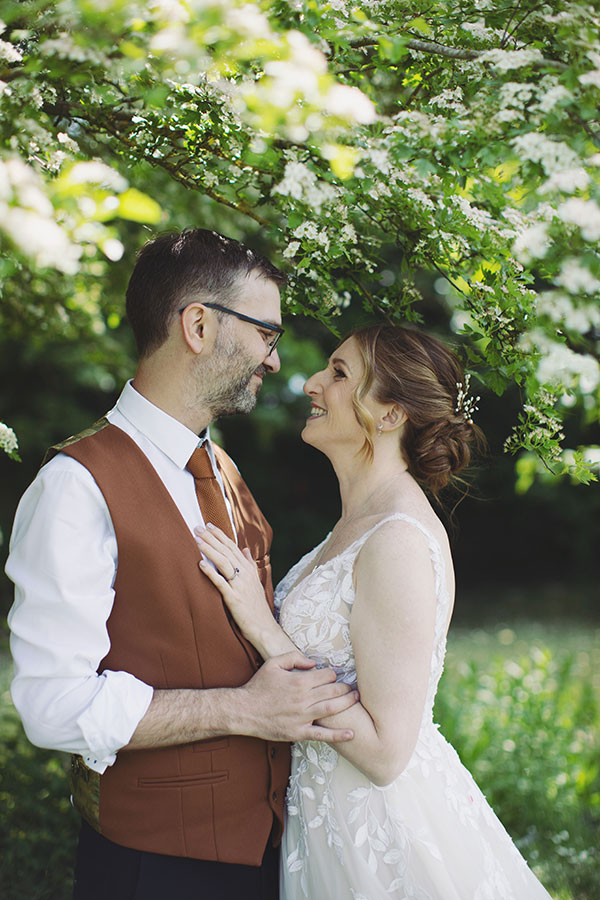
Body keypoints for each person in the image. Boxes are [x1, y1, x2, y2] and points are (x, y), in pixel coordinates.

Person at [5, 229, 359, 900]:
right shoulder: (75, 488)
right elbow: (51, 707)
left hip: (264, 851)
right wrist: (243, 712)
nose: (275, 361)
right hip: (153, 870)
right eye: (265, 333)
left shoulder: (221, 467)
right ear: (198, 325)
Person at [195, 324, 555, 899]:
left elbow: (386, 753)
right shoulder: (353, 525)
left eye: (339, 374)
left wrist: (263, 628)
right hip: (322, 823)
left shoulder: (398, 541)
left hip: (380, 836)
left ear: (391, 415)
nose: (312, 382)